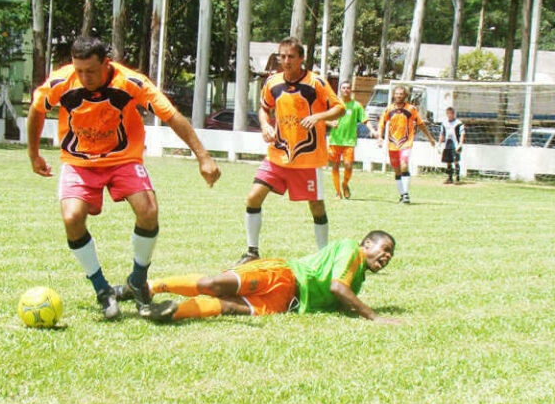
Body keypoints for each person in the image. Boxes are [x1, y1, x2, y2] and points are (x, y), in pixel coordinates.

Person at [27, 36, 221, 320]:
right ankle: (102, 289)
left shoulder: (130, 82)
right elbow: (36, 110)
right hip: (79, 161)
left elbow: (171, 116)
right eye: (79, 71)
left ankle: (137, 282)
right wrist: (34, 154)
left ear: (106, 63)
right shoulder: (61, 82)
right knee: (71, 218)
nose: (84, 77)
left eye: (91, 71)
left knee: (148, 210)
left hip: (123, 158)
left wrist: (203, 156)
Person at [138, 230, 400, 325]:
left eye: (391, 255)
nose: (387, 256)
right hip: (282, 274)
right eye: (385, 249)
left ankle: (171, 313)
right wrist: (374, 316)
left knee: (228, 307)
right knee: (214, 285)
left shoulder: (358, 280)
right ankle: (146, 287)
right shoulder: (351, 249)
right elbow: (337, 288)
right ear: (367, 244)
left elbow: (343, 297)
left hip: (286, 302)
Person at [237, 36, 345, 264]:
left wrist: (318, 116)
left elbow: (339, 108)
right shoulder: (272, 82)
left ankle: (323, 256)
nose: (286, 61)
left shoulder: (316, 82)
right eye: (282, 56)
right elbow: (264, 108)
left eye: (291, 57)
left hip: (308, 159)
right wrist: (265, 125)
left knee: (316, 206)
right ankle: (252, 252)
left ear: (301, 58)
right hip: (277, 155)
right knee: (253, 197)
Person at [377, 85, 436, 204]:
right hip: (392, 143)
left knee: (404, 165)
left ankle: (406, 194)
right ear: (394, 95)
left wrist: (430, 138)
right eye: (397, 93)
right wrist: (379, 137)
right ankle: (402, 194)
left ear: (405, 95)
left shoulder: (411, 109)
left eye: (401, 94)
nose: (399, 96)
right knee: (397, 170)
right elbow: (381, 124)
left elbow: (420, 124)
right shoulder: (389, 109)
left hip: (406, 142)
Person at [327, 81, 375, 199]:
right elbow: (322, 118)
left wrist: (373, 130)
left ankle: (345, 184)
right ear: (340, 90)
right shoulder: (334, 105)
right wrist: (330, 123)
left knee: (348, 165)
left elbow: (365, 120)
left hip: (349, 141)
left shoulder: (356, 106)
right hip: (335, 140)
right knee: (335, 165)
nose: (346, 90)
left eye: (348, 88)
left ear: (351, 90)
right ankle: (338, 192)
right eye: (343, 88)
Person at [438, 106, 465, 184]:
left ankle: (457, 179)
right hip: (447, 144)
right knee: (448, 161)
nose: (450, 115)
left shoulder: (458, 123)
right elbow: (442, 134)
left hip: (455, 144)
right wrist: (439, 144)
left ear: (453, 114)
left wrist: (460, 144)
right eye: (448, 114)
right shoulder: (444, 123)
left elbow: (462, 134)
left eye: (451, 113)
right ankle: (449, 178)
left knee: (456, 161)